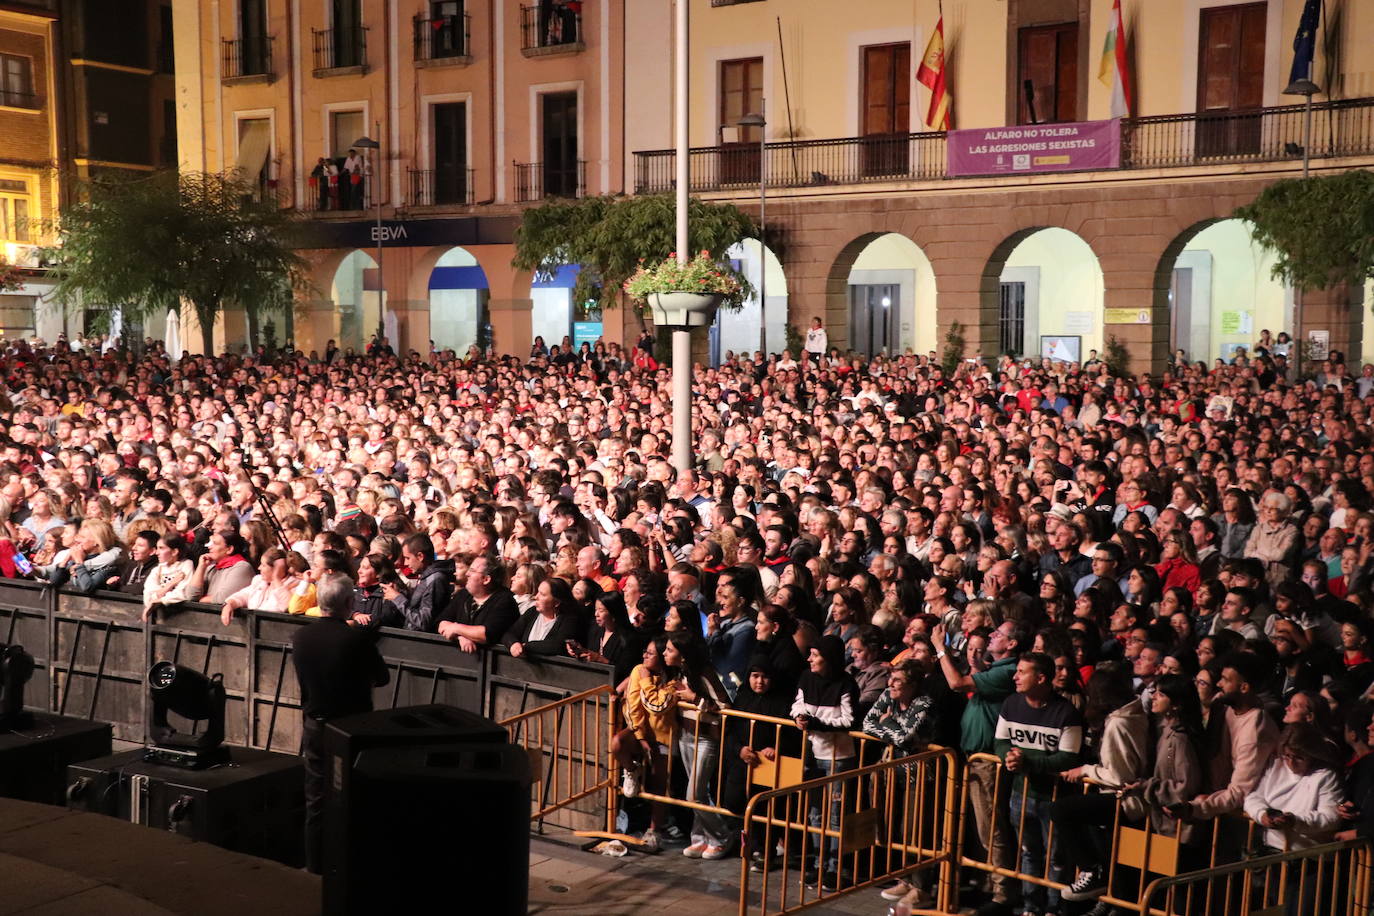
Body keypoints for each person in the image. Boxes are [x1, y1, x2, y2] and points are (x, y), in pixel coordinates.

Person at [291, 573, 389, 873]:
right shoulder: (355, 638)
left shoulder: (301, 636)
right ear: (349, 603)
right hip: (351, 728)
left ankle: (314, 866)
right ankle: (350, 866)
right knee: (353, 796)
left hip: (315, 724)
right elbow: (382, 677)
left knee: (316, 798)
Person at [994, 652, 1085, 916]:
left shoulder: (1066, 712)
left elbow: (1069, 756)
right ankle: (1031, 906)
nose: (1015, 677)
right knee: (1029, 853)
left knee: (1056, 857)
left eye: (1022, 672)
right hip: (1020, 794)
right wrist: (1007, 758)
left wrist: (1027, 761)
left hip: (1054, 798)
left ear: (1041, 677)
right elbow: (1000, 741)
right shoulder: (1011, 704)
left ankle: (1054, 908)